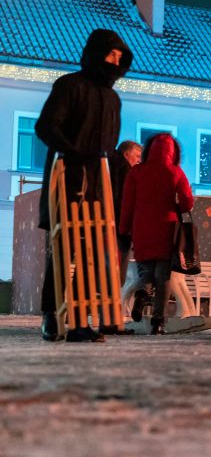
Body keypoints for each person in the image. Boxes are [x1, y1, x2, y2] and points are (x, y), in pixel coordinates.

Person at [35, 29, 134, 342]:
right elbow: (47, 125)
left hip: (98, 186)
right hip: (68, 179)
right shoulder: (70, 85)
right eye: (110, 54)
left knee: (90, 252)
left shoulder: (112, 98)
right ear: (96, 53)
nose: (115, 61)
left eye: (120, 56)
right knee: (65, 249)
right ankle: (52, 314)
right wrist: (72, 151)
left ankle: (79, 320)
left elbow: (110, 143)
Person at [119, 134, 194, 334]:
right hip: (167, 229)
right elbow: (188, 203)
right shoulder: (176, 172)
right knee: (163, 276)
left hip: (141, 229)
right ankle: (158, 321)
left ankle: (142, 294)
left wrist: (124, 229)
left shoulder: (136, 173)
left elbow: (127, 205)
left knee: (147, 272)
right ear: (174, 151)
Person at [111, 140, 143, 285]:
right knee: (118, 271)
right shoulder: (127, 174)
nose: (139, 160)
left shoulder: (110, 168)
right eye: (137, 156)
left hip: (111, 224)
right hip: (121, 228)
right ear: (126, 154)